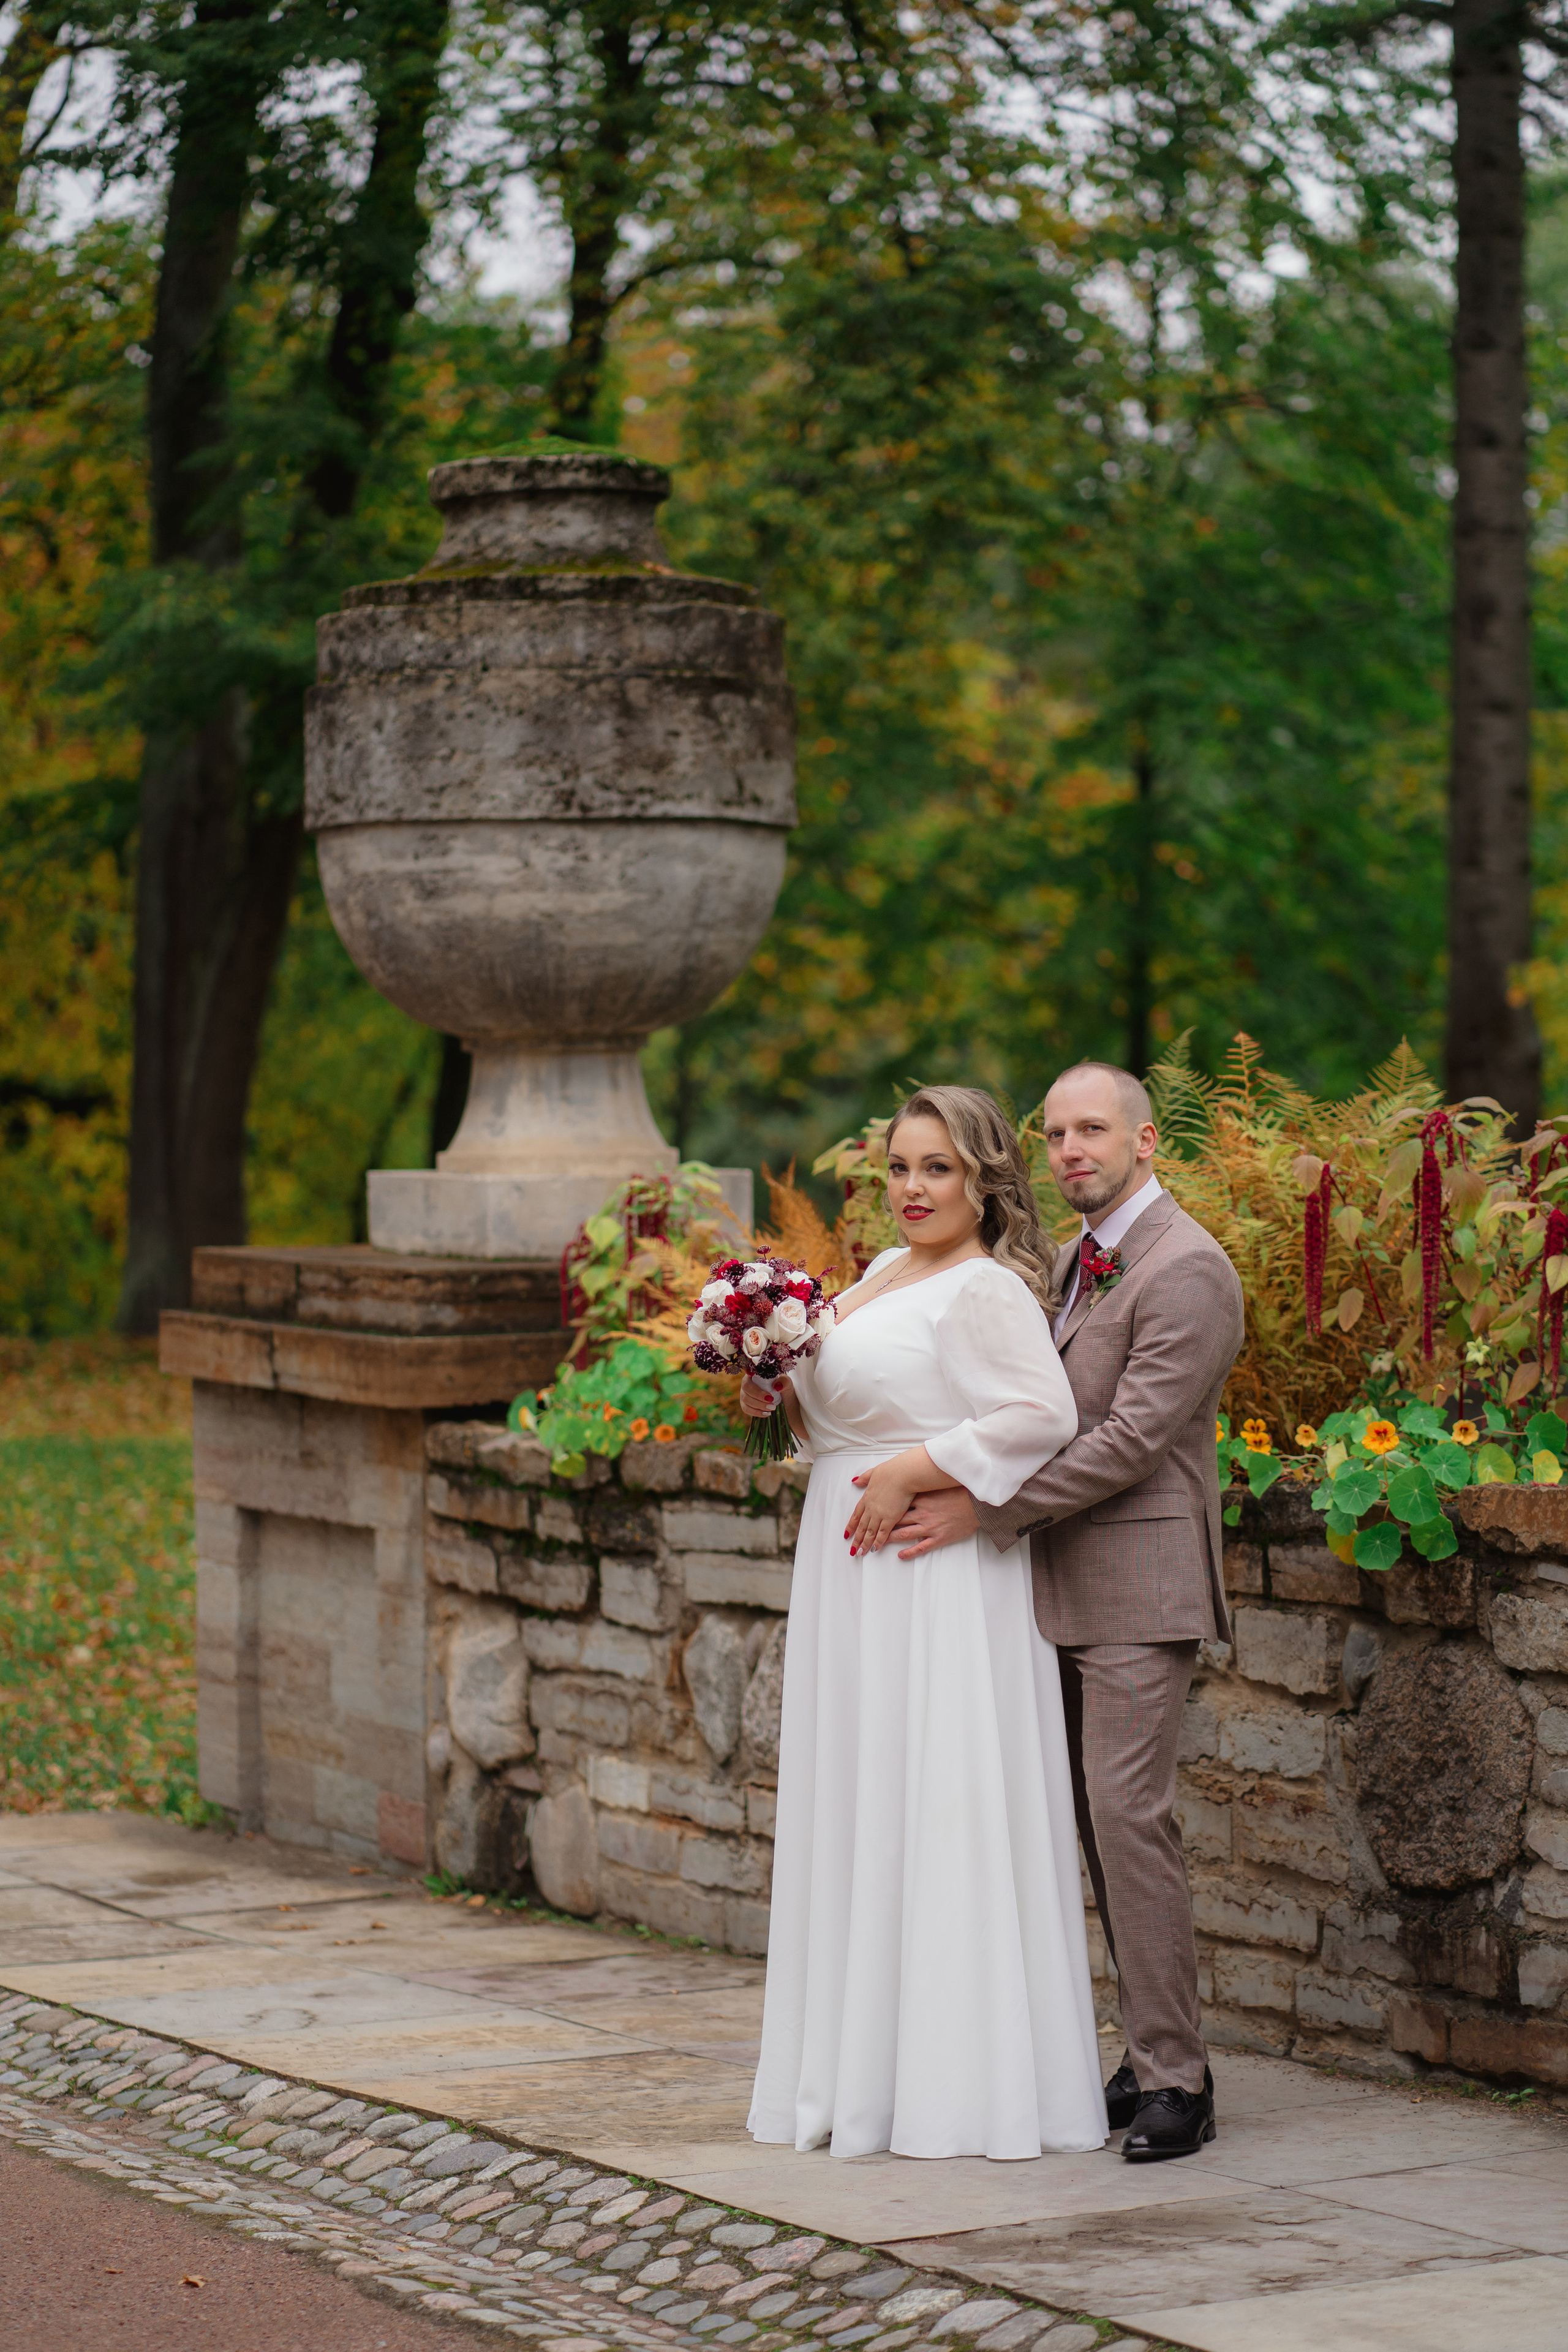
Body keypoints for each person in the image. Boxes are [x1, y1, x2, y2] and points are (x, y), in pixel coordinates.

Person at [742, 1086, 1107, 2162]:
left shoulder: (986, 1287)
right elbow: (846, 1418)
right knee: (864, 1804)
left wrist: (919, 1467)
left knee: (939, 1800)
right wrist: (773, 1389)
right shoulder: (880, 1274)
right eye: (900, 1167)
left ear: (984, 1181)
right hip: (849, 1572)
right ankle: (862, 2076)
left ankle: (961, 2088)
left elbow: (1043, 1414)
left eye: (937, 1168)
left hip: (934, 1577)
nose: (912, 1188)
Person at [894, 1061, 1245, 2163]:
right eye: (1054, 1135)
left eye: (1092, 1129)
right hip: (1050, 1584)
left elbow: (1132, 1440)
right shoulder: (1065, 1265)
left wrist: (980, 1506)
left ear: (1147, 1141)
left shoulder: (1188, 1269)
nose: (1070, 1151)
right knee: (1085, 1827)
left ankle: (1179, 2080)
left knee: (1129, 1819)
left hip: (1139, 1585)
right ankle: (1143, 2055)